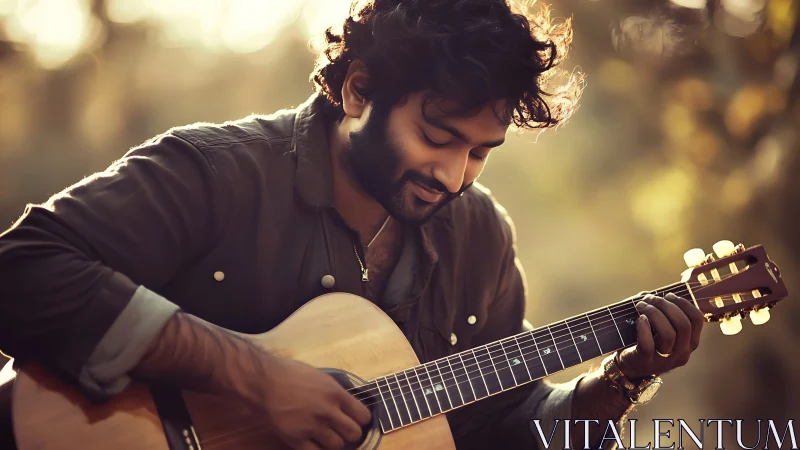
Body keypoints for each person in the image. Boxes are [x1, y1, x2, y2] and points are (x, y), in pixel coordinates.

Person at [0, 0, 705, 449]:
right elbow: (21, 270)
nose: (454, 176)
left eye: (481, 153)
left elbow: (501, 430)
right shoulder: (219, 171)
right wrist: (258, 379)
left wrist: (622, 379)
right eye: (438, 135)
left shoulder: (479, 238)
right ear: (360, 89)